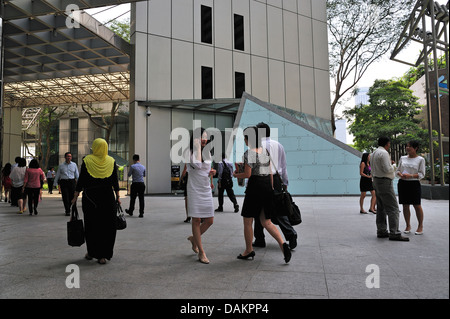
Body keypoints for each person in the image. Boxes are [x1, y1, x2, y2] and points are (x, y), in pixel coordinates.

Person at [233, 126, 291, 263]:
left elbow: (247, 174)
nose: (245, 141)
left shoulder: (249, 153)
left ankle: (248, 250)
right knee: (266, 221)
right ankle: (283, 244)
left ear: (248, 139)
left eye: (245, 138)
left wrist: (236, 174)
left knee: (248, 221)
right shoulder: (264, 151)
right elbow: (270, 172)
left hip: (255, 187)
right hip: (267, 186)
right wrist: (270, 189)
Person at [71, 138, 121, 265]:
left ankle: (92, 252)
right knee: (108, 226)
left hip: (91, 197)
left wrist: (76, 195)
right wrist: (118, 196)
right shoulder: (111, 161)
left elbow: (81, 180)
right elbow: (115, 181)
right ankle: (103, 255)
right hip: (108, 197)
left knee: (92, 226)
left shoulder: (87, 160)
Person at [254, 122, 297, 250]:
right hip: (277, 179)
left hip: (261, 180)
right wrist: (285, 182)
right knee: (278, 208)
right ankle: (290, 233)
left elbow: (254, 168)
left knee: (258, 210)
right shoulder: (278, 145)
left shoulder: (256, 146)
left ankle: (260, 239)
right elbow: (283, 167)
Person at [185, 128, 216, 264]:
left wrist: (211, 178)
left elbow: (206, 169)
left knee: (209, 220)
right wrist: (197, 148)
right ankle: (201, 252)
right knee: (196, 220)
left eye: (205, 137)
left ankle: (193, 239)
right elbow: (197, 165)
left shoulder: (207, 151)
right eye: (202, 137)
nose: (204, 140)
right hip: (194, 189)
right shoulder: (189, 152)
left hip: (205, 189)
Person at [371, 137, 409, 241]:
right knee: (393, 208)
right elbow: (387, 169)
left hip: (376, 181)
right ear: (387, 144)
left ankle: (382, 230)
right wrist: (394, 165)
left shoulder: (374, 153)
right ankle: (395, 233)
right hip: (384, 182)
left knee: (381, 208)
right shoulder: (383, 153)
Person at [396, 141, 426, 235]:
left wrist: (411, 176)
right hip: (403, 183)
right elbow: (397, 170)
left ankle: (420, 226)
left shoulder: (420, 159)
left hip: (414, 184)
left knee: (417, 205)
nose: (407, 148)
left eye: (410, 146)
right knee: (405, 205)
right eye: (407, 146)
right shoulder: (402, 158)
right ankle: (408, 225)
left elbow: (422, 174)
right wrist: (400, 174)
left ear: (416, 148)